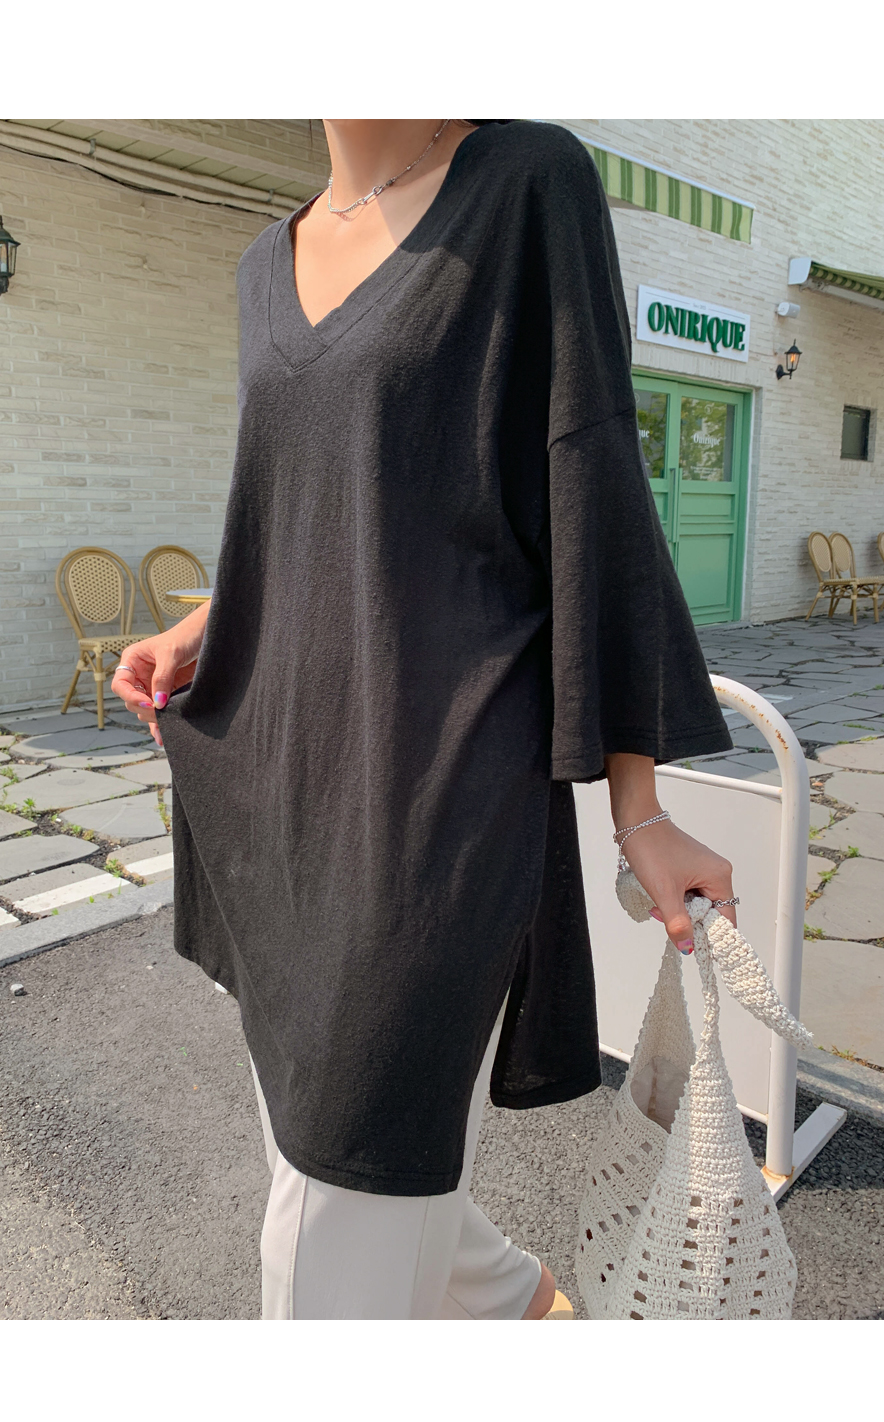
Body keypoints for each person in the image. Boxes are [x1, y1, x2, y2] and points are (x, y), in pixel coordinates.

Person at [111, 119, 737, 1320]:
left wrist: (640, 806)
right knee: (324, 1137)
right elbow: (316, 498)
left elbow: (592, 482)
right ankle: (512, 1301)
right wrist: (203, 624)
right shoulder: (264, 262)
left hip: (438, 789)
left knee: (334, 1186)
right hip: (282, 767)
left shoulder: (526, 183)